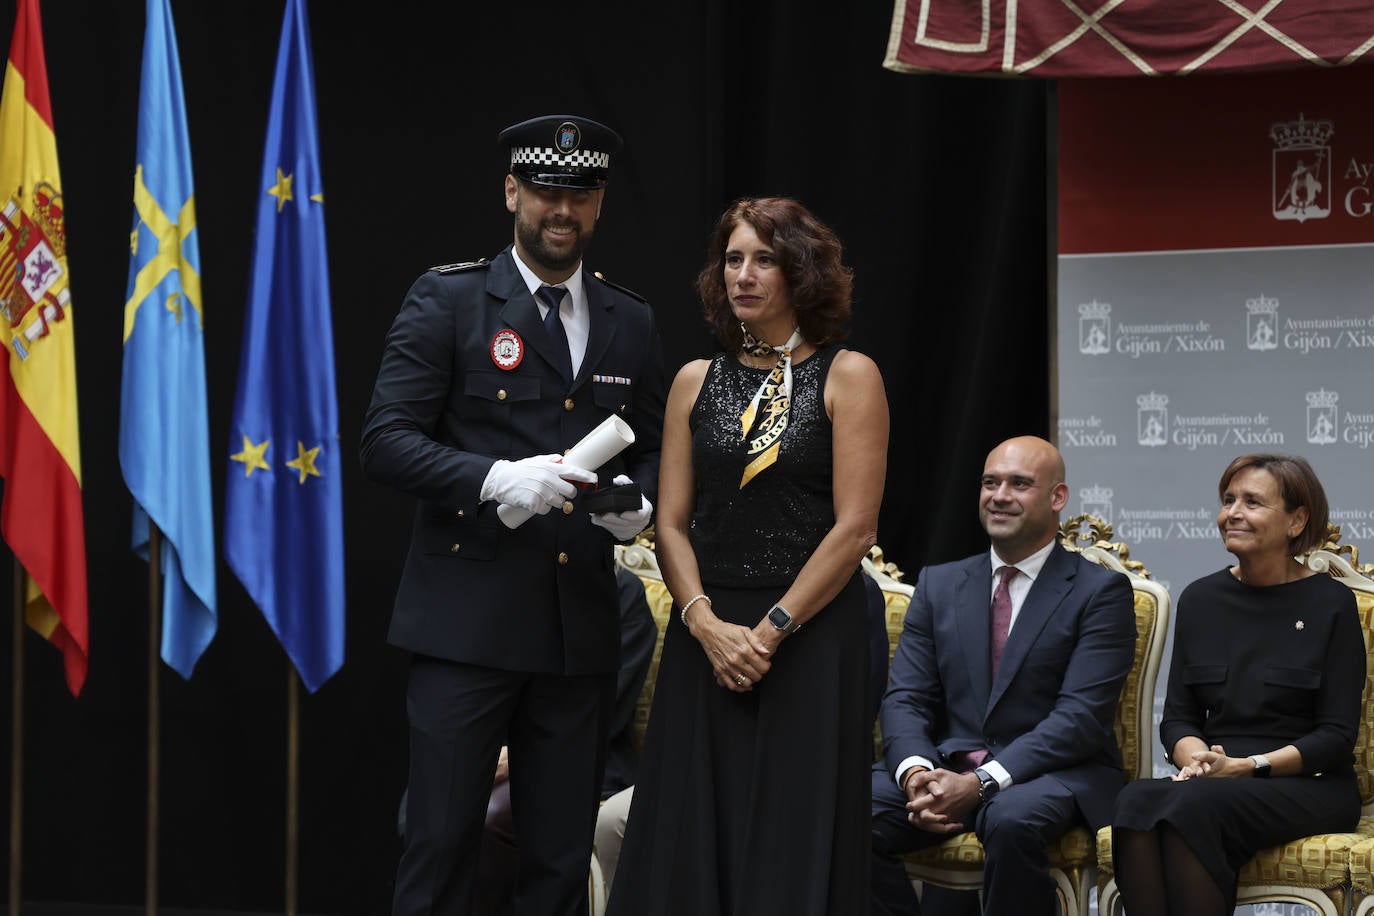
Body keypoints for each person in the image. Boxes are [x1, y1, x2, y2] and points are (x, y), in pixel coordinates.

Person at [360, 113, 668, 916]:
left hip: (577, 635)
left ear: (600, 204)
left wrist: (637, 505)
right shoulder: (452, 299)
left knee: (559, 864)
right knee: (439, 848)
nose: (560, 210)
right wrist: (494, 477)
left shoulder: (628, 319)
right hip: (467, 629)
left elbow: (655, 451)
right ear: (511, 193)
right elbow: (384, 443)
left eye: (580, 194)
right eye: (544, 192)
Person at [605, 196, 889, 916]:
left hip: (809, 634)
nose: (744, 274)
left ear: (801, 271)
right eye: (733, 258)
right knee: (689, 828)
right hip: (709, 633)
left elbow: (855, 529)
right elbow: (669, 524)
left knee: (794, 834)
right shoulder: (694, 381)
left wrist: (768, 632)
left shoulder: (849, 374)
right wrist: (704, 625)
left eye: (764, 259)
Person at [871, 435, 1137, 916]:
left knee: (1011, 819)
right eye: (990, 483)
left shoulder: (1101, 591)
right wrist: (915, 773)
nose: (999, 495)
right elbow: (906, 697)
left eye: (1019, 484)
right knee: (841, 804)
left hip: (1054, 774)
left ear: (1057, 497)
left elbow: (1079, 718)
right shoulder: (940, 583)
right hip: (947, 766)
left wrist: (981, 782)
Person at [1110, 453, 1364, 915]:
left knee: (1192, 808)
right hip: (1217, 779)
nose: (1233, 513)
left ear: (1296, 520)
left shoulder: (1332, 603)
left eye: (1252, 501)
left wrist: (1250, 766)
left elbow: (1335, 736)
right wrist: (1198, 759)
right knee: (1134, 801)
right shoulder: (1202, 598)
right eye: (1228, 500)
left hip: (1309, 782)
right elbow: (1180, 717)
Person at [474, 564, 657, 916]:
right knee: (430, 811)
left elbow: (610, 706)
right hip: (491, 748)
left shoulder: (620, 587)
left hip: (584, 755)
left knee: (492, 817)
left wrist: (516, 755)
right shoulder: (502, 579)